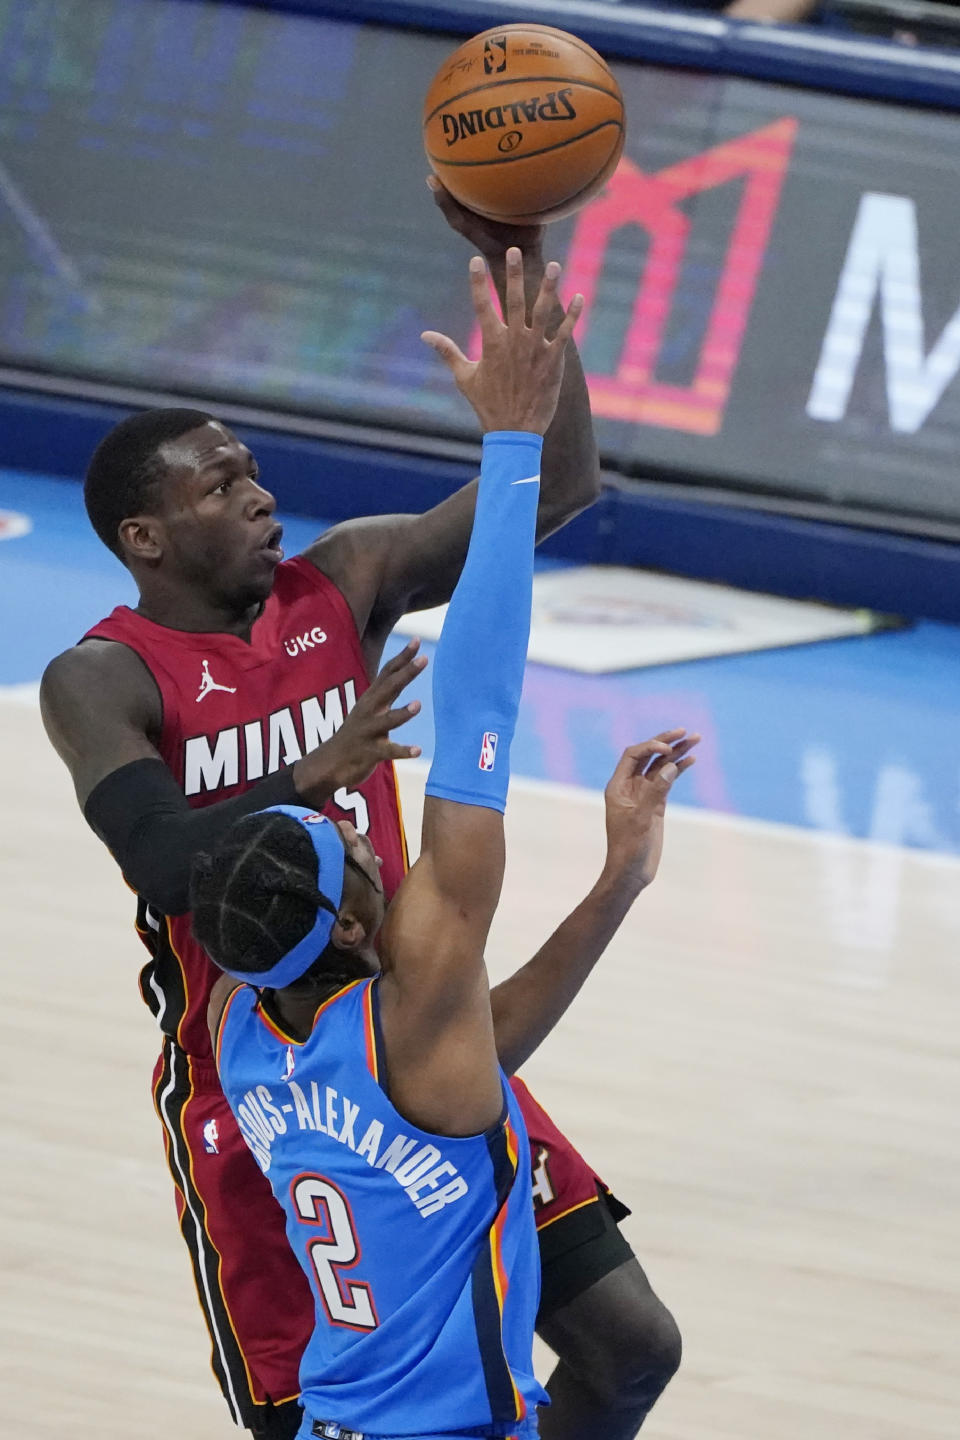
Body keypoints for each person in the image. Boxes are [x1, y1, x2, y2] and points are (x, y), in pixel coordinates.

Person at [40, 191, 681, 1440]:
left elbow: (556, 486)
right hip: (257, 1075)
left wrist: (526, 281)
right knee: (312, 1419)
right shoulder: (99, 679)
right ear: (146, 534)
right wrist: (311, 770)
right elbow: (167, 861)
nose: (258, 495)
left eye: (255, 473)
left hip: (411, 1018)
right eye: (223, 486)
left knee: (629, 1349)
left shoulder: (344, 579)